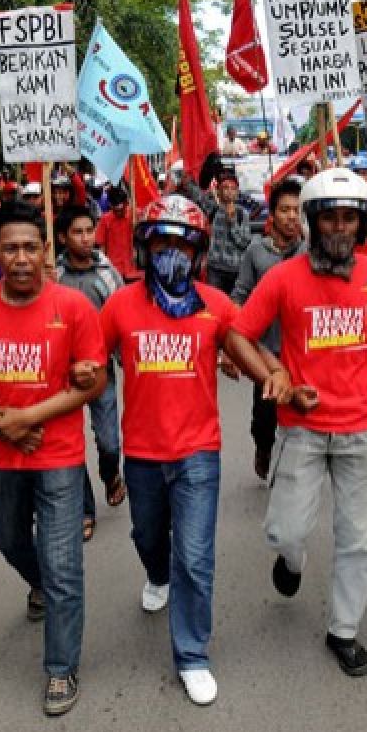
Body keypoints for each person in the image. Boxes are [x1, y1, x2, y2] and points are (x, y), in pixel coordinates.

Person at [224, 168, 367, 677]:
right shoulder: (281, 277)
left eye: (350, 217)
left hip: (362, 428)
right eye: (329, 216)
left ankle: (343, 630)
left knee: (358, 541)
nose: (340, 227)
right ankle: (291, 563)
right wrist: (275, 371)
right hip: (300, 429)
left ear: (364, 223)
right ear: (310, 220)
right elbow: (239, 336)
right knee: (285, 531)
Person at [0, 199, 106, 716]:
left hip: (59, 455)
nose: (22, 257)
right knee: (7, 536)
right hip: (1, 455)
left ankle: (61, 668)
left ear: (44, 250)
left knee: (64, 564)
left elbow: (91, 382)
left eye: (31, 246)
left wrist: (30, 417)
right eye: (11, 248)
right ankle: (36, 584)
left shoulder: (73, 308)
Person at [99, 194, 240, 705]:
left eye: (182, 243)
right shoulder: (119, 305)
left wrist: (259, 369)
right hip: (142, 452)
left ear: (199, 251)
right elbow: (90, 365)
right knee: (148, 537)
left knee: (196, 557)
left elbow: (246, 342)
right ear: (144, 246)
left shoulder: (216, 305)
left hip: (199, 451)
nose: (171, 252)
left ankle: (192, 654)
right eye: (161, 241)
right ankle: (156, 574)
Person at [54, 206, 127, 542]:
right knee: (69, 447)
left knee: (109, 442)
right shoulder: (53, 276)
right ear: (62, 238)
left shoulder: (107, 274)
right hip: (62, 375)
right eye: (77, 232)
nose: (85, 238)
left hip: (101, 371)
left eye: (89, 230)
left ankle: (111, 473)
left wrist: (129, 360)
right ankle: (84, 509)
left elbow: (123, 321)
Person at [231, 177, 307, 479]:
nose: (291, 217)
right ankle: (264, 447)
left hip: (300, 350)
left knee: (299, 412)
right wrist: (234, 343)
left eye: (297, 211)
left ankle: (294, 470)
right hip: (265, 350)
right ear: (272, 215)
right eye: (285, 210)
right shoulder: (255, 252)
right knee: (264, 418)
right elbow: (239, 295)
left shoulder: (311, 252)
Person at [182, 168, 251, 294]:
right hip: (215, 270)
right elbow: (199, 197)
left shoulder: (242, 214)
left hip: (236, 271)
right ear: (219, 191)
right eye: (225, 188)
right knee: (213, 303)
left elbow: (244, 243)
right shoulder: (214, 210)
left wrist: (233, 222)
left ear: (237, 192)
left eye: (233, 188)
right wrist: (189, 181)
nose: (229, 192)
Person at [96, 187, 139, 283]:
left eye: (121, 209)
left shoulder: (135, 215)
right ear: (110, 206)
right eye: (116, 210)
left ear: (126, 203)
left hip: (134, 270)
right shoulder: (105, 219)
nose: (119, 212)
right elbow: (101, 246)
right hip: (114, 271)